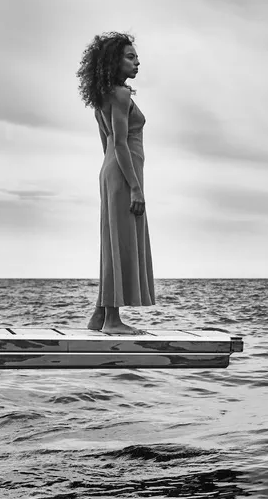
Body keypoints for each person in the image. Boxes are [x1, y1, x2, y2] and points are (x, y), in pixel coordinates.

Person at [76, 32, 154, 335]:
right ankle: (112, 321)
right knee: (119, 242)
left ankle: (100, 315)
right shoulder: (121, 95)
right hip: (123, 173)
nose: (136, 62)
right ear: (114, 61)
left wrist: (114, 176)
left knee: (113, 241)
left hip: (110, 171)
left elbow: (106, 142)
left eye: (136, 57)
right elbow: (120, 143)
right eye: (130, 57)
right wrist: (135, 186)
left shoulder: (103, 96)